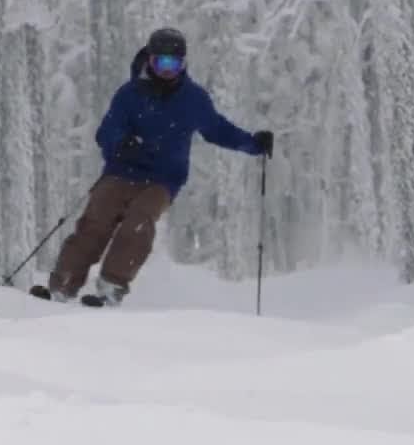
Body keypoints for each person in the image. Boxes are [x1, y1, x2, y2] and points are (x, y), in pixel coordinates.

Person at [30, 27, 274, 306]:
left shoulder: (193, 99)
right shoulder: (130, 94)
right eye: (162, 63)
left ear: (183, 64)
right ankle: (62, 285)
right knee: (96, 220)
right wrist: (120, 142)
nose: (167, 70)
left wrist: (253, 144)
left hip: (162, 179)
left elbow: (218, 130)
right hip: (121, 171)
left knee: (139, 220)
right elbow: (106, 132)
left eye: (174, 64)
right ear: (150, 60)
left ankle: (112, 287)